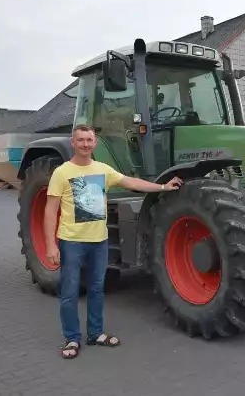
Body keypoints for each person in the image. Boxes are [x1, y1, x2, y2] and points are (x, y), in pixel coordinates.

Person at [44, 124, 183, 359]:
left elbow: (132, 183)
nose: (85, 144)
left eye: (89, 140)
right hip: (72, 242)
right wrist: (50, 245)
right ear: (73, 143)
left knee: (97, 289)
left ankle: (95, 333)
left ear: (94, 143)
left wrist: (162, 187)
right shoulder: (62, 173)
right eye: (81, 140)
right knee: (69, 291)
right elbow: (50, 210)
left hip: (99, 241)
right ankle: (72, 339)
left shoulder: (103, 170)